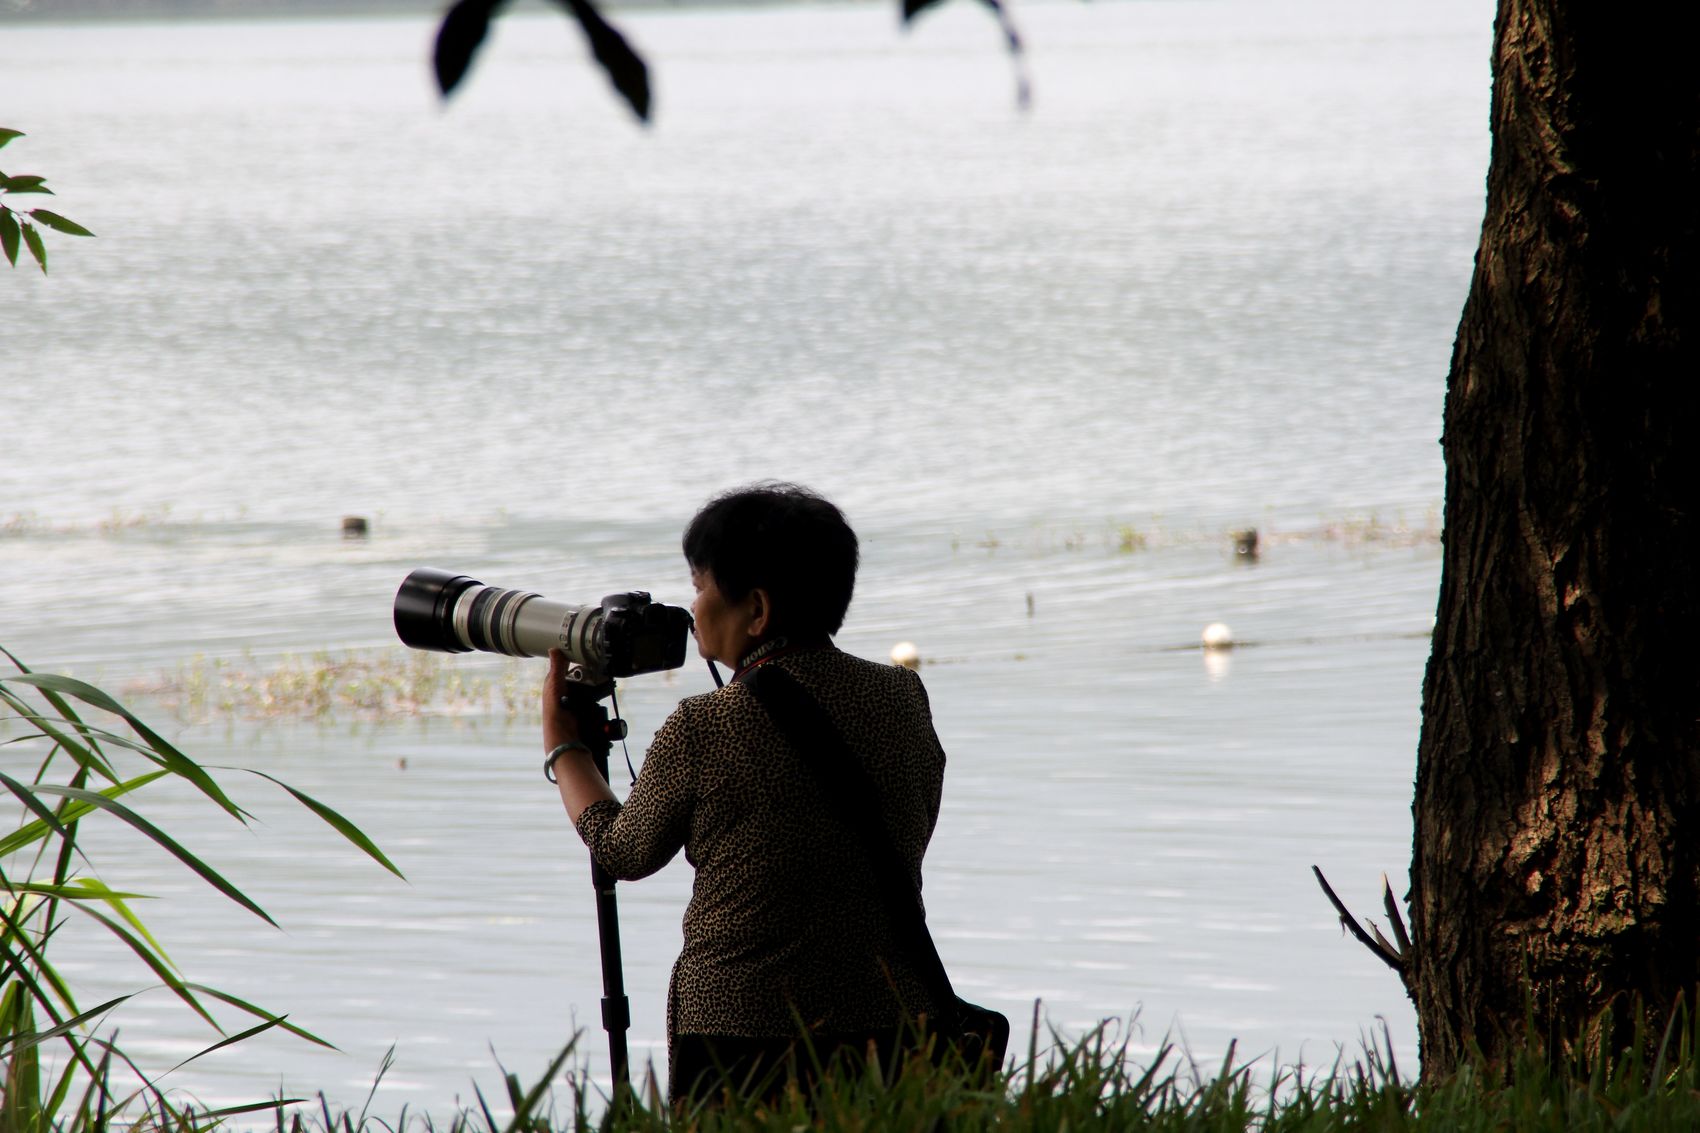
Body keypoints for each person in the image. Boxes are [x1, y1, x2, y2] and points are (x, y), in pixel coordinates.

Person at [541, 483, 949, 1105]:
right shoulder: (904, 698)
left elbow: (623, 851)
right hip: (892, 1026)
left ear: (755, 610)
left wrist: (564, 745)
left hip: (743, 1038)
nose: (692, 608)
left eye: (700, 587)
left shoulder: (704, 724)